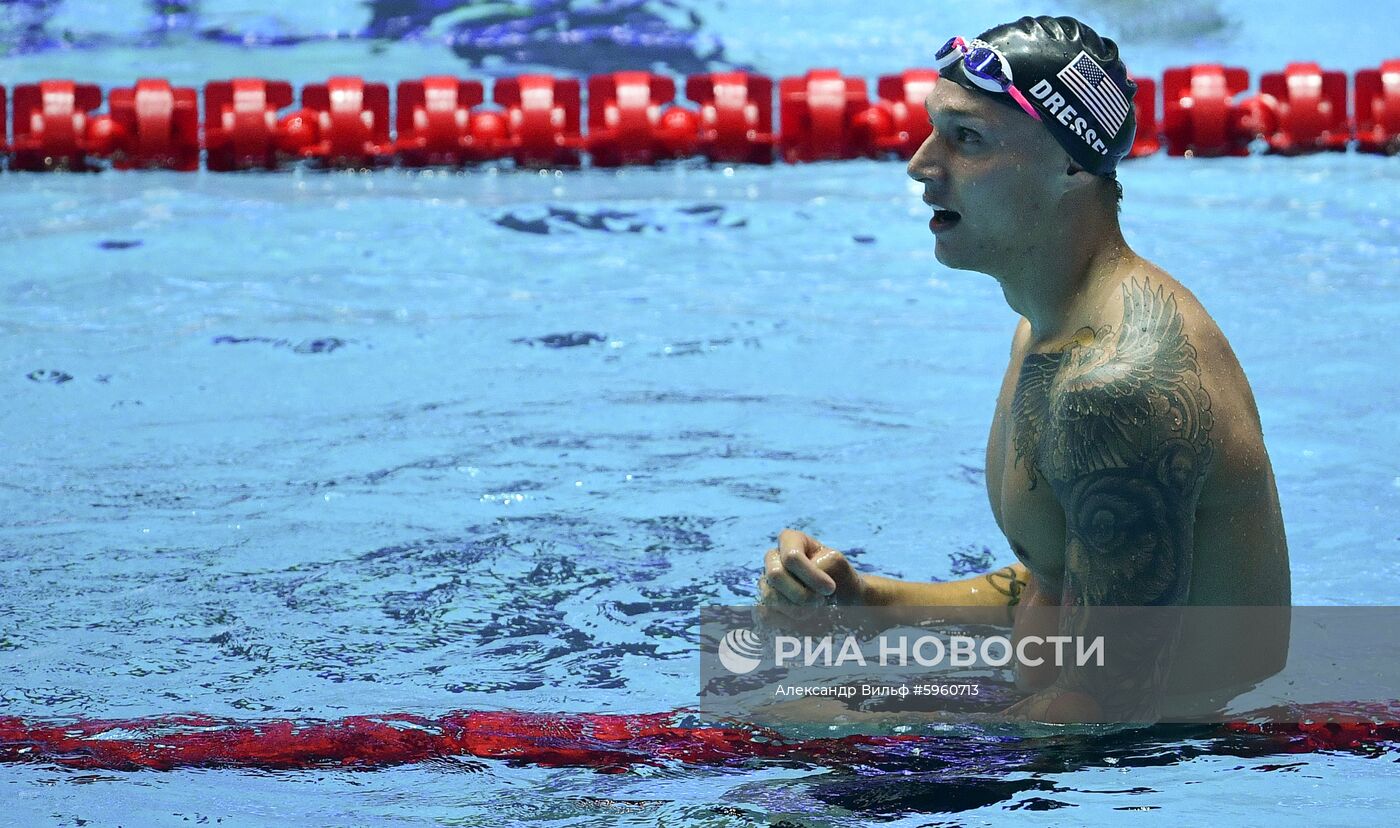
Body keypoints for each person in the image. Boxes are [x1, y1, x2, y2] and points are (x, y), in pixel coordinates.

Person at [754, 15, 1291, 723]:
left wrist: (853, 729)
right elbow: (1062, 577)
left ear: (1072, 165)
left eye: (966, 139)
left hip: (1179, 764)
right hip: (1061, 723)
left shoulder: (1116, 384)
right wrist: (870, 601)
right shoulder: (1049, 329)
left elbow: (1108, 710)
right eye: (933, 129)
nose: (920, 164)